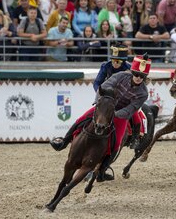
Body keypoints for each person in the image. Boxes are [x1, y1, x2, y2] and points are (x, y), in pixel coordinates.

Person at [50, 52, 151, 181]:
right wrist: (100, 104)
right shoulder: (119, 75)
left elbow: (131, 108)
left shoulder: (143, 93)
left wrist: (114, 115)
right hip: (106, 105)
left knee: (118, 142)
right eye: (136, 74)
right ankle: (64, 141)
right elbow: (103, 87)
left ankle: (104, 166)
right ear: (132, 72)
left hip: (121, 113)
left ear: (145, 77)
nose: (138, 78)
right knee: (81, 119)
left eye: (142, 76)